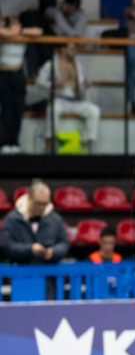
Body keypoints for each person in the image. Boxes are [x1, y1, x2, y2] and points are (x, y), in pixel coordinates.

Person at [36, 41, 101, 151]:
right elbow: (39, 81)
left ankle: (87, 143)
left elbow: (79, 86)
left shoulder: (77, 65)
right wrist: (52, 85)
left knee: (94, 110)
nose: (75, 52)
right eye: (72, 49)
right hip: (60, 99)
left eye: (75, 49)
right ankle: (49, 142)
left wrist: (84, 86)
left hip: (76, 101)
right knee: (52, 110)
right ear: (63, 49)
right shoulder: (52, 64)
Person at [0, 180, 70, 264]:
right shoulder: (12, 219)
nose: (41, 208)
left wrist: (53, 252)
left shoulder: (56, 219)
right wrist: (30, 249)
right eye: (38, 203)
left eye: (45, 204)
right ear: (29, 198)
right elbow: (6, 246)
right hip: (20, 273)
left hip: (48, 273)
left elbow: (64, 244)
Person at [0, 16, 42, 153]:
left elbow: (39, 31)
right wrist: (13, 32)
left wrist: (21, 30)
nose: (15, 25)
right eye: (12, 22)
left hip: (18, 73)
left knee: (18, 108)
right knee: (6, 109)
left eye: (18, 22)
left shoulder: (23, 32)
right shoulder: (4, 32)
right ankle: (5, 142)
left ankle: (15, 142)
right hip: (4, 72)